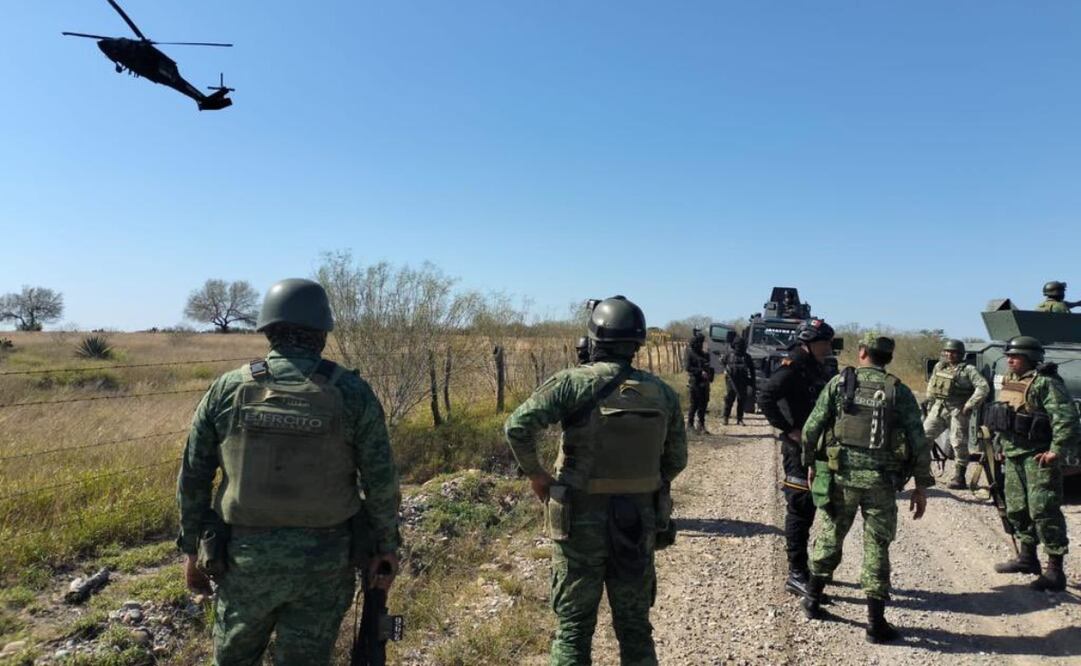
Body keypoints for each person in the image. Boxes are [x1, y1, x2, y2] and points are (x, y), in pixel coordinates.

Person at [177, 278, 401, 665]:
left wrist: (190, 551)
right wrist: (386, 547)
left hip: (244, 562)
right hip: (325, 565)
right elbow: (381, 483)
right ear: (323, 332)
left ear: (268, 330)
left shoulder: (228, 389)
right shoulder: (352, 393)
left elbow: (194, 476)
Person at [504, 295, 687, 666]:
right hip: (638, 523)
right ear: (637, 343)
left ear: (594, 339)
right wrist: (642, 483)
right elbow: (676, 460)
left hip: (578, 524)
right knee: (635, 628)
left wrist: (538, 476)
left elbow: (517, 426)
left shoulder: (572, 384)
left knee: (573, 629)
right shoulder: (663, 393)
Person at [800, 333, 932, 643]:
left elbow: (811, 429)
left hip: (841, 478)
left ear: (862, 353)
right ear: (888, 357)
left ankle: (812, 599)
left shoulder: (839, 383)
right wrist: (921, 485)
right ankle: (875, 623)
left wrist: (811, 464)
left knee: (831, 534)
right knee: (877, 546)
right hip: (880, 484)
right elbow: (918, 441)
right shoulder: (898, 391)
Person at [986, 336, 1080, 591]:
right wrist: (999, 446)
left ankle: (1055, 570)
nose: (1009, 359)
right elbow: (1003, 418)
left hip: (1038, 456)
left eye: (1015, 356)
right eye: (1009, 356)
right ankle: (1027, 558)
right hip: (1014, 454)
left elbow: (1066, 419)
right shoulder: (1011, 382)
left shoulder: (1046, 383)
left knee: (1044, 509)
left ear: (1030, 358)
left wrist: (1056, 451)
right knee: (1017, 508)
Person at [758, 318, 835, 598]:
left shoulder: (816, 366)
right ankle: (796, 573)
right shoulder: (792, 367)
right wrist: (789, 429)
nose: (828, 347)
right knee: (800, 510)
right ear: (808, 343)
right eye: (823, 343)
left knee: (815, 508)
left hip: (817, 448)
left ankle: (807, 567)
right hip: (798, 450)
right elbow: (766, 396)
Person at [923, 339, 990, 490]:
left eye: (953, 352)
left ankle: (959, 477)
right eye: (947, 351)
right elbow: (932, 385)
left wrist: (970, 404)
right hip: (938, 408)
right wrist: (929, 402)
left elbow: (983, 387)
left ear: (961, 354)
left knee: (958, 443)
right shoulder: (939, 366)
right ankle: (923, 473)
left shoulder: (969, 370)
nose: (949, 354)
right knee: (923, 438)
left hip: (958, 409)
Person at [684, 327, 714, 434]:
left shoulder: (705, 354)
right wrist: (700, 372)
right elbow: (688, 367)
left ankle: (701, 425)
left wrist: (710, 374)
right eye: (700, 342)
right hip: (695, 382)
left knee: (704, 404)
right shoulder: (690, 353)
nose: (701, 344)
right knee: (694, 404)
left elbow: (709, 367)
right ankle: (690, 425)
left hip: (704, 384)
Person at [721, 337, 756, 426]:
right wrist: (725, 369)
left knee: (741, 400)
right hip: (731, 380)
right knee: (729, 399)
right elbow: (723, 362)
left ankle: (739, 419)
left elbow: (752, 370)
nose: (739, 347)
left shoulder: (747, 357)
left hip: (743, 381)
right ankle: (726, 417)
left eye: (741, 345)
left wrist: (752, 382)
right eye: (737, 345)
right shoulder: (729, 355)